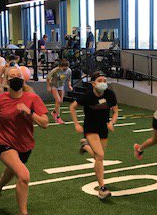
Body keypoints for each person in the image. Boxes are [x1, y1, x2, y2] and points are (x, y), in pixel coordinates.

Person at [0, 65, 49, 215]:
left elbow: (45, 123)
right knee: (23, 175)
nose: (15, 78)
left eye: (18, 75)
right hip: (4, 143)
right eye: (12, 75)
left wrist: (29, 113)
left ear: (23, 80)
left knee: (9, 173)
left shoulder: (32, 98)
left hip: (25, 145)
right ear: (6, 81)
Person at [69, 71, 118, 200]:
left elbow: (115, 111)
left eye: (104, 81)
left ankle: (85, 146)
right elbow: (72, 107)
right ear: (93, 83)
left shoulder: (110, 94)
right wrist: (76, 124)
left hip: (103, 127)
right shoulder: (87, 96)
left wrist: (112, 122)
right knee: (100, 155)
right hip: (90, 127)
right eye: (100, 80)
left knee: (98, 156)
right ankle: (102, 188)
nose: (103, 83)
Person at [46, 58, 73, 124]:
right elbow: (48, 78)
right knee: (57, 100)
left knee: (60, 101)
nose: (64, 70)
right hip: (54, 85)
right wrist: (48, 86)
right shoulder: (55, 70)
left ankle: (54, 112)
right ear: (60, 67)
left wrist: (69, 85)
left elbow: (69, 79)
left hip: (61, 86)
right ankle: (58, 117)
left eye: (66, 68)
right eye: (63, 69)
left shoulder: (69, 71)